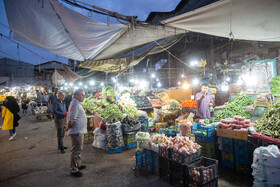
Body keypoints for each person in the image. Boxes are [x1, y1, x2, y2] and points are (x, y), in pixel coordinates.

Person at [65, 89, 87, 177]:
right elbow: (72, 119)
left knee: (78, 149)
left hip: (79, 130)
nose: (84, 96)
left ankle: (78, 164)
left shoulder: (76, 103)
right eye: (82, 95)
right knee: (75, 151)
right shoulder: (75, 104)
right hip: (76, 131)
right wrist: (67, 127)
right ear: (77, 95)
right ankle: (73, 170)